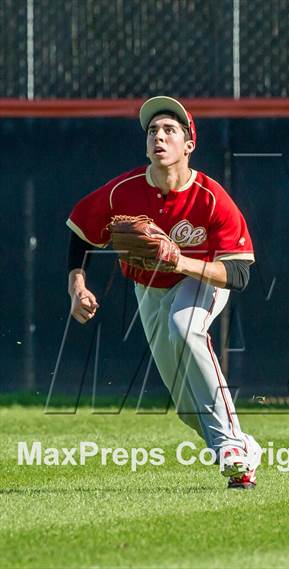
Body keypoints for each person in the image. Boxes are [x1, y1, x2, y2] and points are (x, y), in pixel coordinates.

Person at [66, 96, 262, 489]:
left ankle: (230, 449)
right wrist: (77, 284)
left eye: (170, 130)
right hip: (148, 288)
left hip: (201, 280)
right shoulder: (122, 192)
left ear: (189, 144)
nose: (159, 136)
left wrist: (182, 264)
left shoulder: (210, 198)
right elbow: (80, 233)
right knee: (187, 407)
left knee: (184, 325)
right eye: (153, 130)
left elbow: (240, 273)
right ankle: (243, 451)